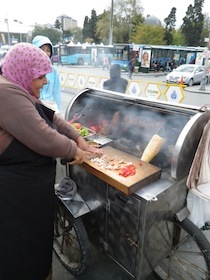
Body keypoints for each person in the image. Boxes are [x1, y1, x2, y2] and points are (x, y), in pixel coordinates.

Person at [0, 43, 102, 280]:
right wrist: (73, 150)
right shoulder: (5, 93)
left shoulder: (18, 89)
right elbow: (43, 136)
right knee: (20, 256)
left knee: (36, 248)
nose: (46, 81)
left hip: (30, 198)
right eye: (41, 76)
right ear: (24, 71)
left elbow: (51, 117)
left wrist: (79, 139)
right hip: (15, 200)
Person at [32, 35, 61, 110]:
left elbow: (56, 92)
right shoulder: (29, 70)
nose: (45, 53)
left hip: (50, 108)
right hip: (35, 107)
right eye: (42, 49)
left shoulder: (53, 71)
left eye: (48, 50)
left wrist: (58, 111)